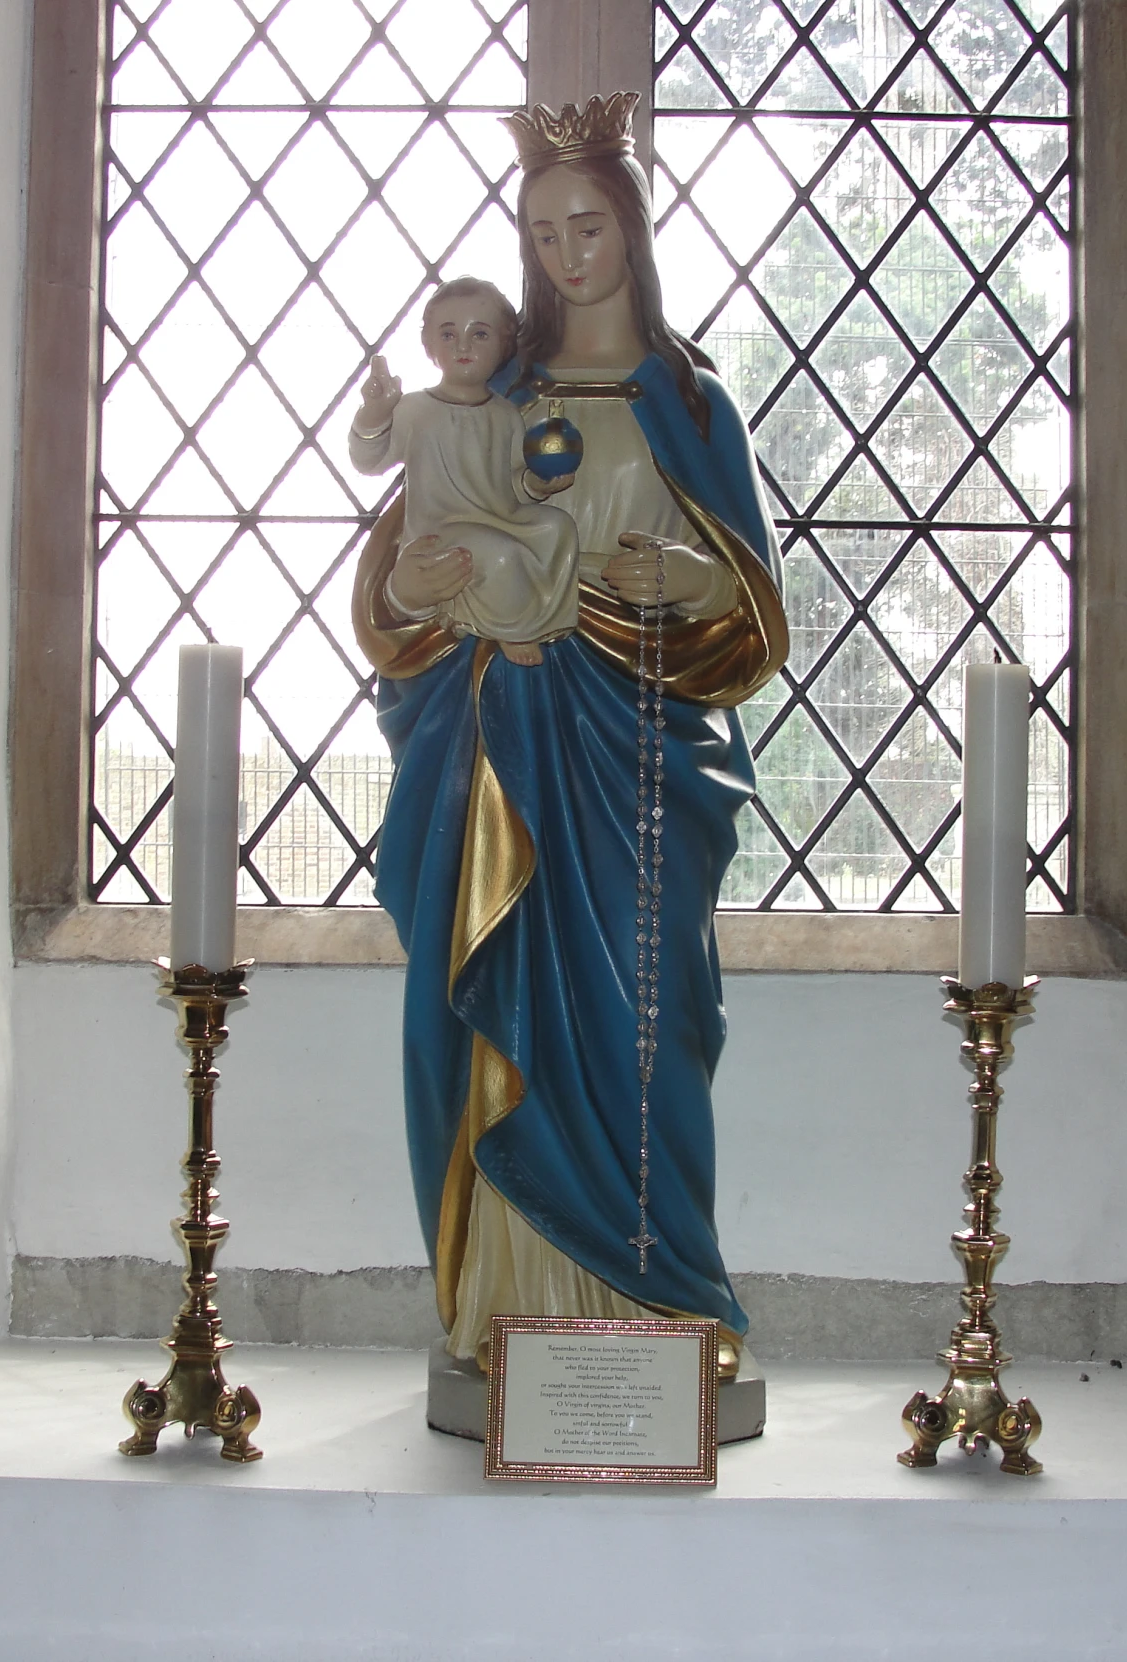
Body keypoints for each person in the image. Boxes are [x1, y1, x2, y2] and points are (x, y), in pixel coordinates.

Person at [353, 92, 788, 1377]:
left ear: (632, 232)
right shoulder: (493, 392)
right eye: (540, 231)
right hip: (504, 752)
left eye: (586, 225)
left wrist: (687, 588)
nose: (562, 255)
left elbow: (753, 611)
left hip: (637, 757)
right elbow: (400, 570)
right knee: (505, 1006)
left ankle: (658, 1310)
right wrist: (413, 593)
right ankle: (509, 1308)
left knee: (645, 1015)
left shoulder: (690, 402)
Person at [347, 279, 577, 668]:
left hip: (499, 517)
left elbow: (513, 482)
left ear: (504, 345)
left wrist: (538, 484)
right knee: (499, 556)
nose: (463, 346)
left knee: (558, 527)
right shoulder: (417, 409)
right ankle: (509, 626)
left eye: (480, 334)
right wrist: (375, 414)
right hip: (442, 530)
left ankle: (544, 621)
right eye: (449, 334)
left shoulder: (504, 414)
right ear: (429, 345)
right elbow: (369, 459)